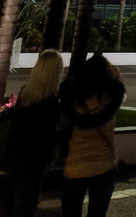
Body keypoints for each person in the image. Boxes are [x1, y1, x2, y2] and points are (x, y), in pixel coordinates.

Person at [60, 54, 126, 217]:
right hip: (103, 166)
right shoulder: (109, 99)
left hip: (74, 165)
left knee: (71, 212)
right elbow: (120, 89)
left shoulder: (75, 100)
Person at [0, 48, 64, 217]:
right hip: (30, 168)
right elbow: (46, 138)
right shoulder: (50, 103)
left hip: (10, 162)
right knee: (24, 209)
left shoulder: (26, 93)